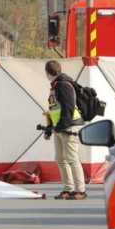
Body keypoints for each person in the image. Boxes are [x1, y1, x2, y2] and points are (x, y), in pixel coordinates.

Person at [44, 60, 87, 200]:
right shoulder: (56, 85)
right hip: (60, 127)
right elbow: (56, 109)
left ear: (48, 73)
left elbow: (68, 109)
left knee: (72, 158)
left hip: (69, 127)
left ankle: (80, 190)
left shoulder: (63, 85)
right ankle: (68, 188)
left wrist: (61, 126)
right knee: (61, 159)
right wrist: (51, 128)